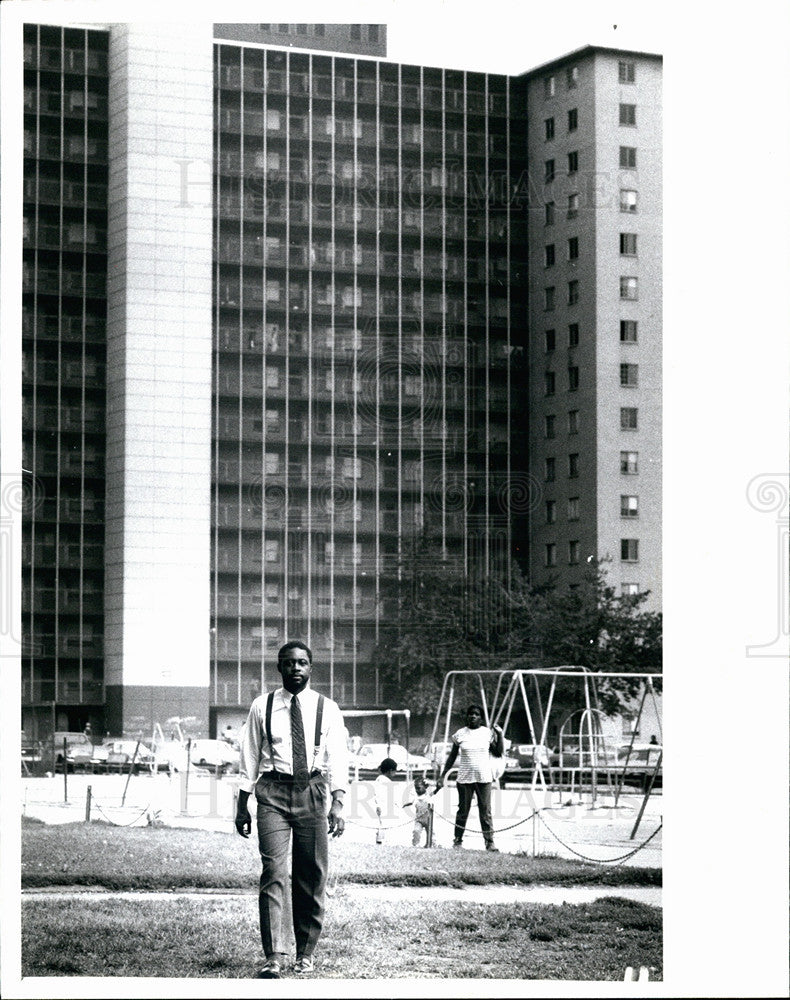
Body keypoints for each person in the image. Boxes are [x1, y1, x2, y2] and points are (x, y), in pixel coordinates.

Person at [235, 641, 347, 979]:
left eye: (302, 663)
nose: (295, 669)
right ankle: (274, 955)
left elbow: (338, 758)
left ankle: (306, 952)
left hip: (312, 790)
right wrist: (242, 805)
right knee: (273, 871)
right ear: (279, 668)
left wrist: (338, 802)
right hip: (272, 791)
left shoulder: (327, 708)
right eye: (288, 663)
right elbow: (249, 757)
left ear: (311, 668)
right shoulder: (262, 706)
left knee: (311, 874)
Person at [435, 704, 504, 852]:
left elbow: (498, 752)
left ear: (481, 718)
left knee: (485, 811)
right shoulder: (460, 734)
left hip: (484, 778)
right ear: (466, 716)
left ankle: (489, 843)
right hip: (465, 778)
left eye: (476, 714)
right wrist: (442, 776)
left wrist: (500, 734)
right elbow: (452, 756)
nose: (473, 716)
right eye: (470, 714)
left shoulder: (487, 733)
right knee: (463, 811)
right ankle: (458, 841)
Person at [373, 757, 399, 844]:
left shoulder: (381, 780)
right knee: (383, 824)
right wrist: (378, 805)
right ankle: (381, 841)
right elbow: (378, 794)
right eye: (395, 771)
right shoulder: (383, 781)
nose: (395, 773)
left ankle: (381, 840)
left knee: (383, 824)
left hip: (385, 805)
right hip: (383, 806)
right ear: (390, 771)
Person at [402, 775, 432, 847]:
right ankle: (415, 844)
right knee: (416, 831)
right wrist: (406, 804)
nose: (417, 790)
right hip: (419, 820)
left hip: (429, 819)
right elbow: (411, 802)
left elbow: (433, 796)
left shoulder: (428, 796)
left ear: (425, 787)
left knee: (430, 833)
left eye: (418, 788)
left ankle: (430, 844)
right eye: (415, 788)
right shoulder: (416, 797)